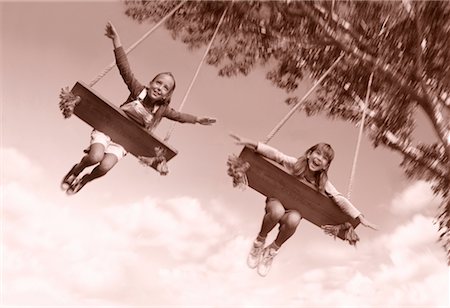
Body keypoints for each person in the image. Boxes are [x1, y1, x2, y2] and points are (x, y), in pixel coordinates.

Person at [61, 21, 216, 195]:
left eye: (165, 88)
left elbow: (179, 116)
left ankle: (86, 179)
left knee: (104, 167)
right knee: (95, 157)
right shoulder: (138, 90)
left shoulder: (162, 110)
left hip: (123, 142)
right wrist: (116, 41)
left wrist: (197, 120)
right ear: (150, 84)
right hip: (107, 129)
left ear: (167, 96)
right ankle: (77, 169)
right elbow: (124, 69)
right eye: (158, 83)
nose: (160, 88)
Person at [230, 133, 378, 277]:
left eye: (325, 158)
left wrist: (359, 216)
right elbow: (276, 155)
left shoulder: (323, 182)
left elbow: (338, 198)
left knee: (294, 219)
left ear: (326, 165)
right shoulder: (294, 164)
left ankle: (272, 250)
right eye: (317, 154)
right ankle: (259, 242)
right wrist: (251, 142)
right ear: (309, 154)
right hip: (276, 201)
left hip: (294, 211)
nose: (319, 159)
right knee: (277, 211)